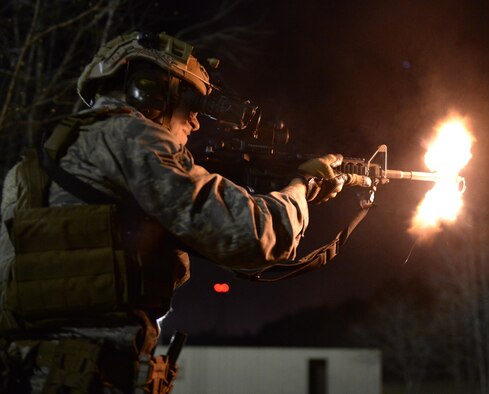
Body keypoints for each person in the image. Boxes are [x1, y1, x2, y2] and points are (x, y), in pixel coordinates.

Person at [0, 32, 361, 393]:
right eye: (189, 105)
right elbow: (254, 236)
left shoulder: (28, 171)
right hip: (97, 379)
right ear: (151, 92)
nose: (196, 122)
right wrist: (303, 186)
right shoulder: (135, 138)